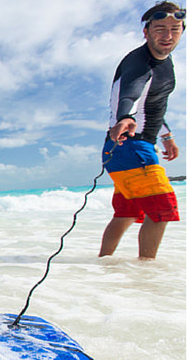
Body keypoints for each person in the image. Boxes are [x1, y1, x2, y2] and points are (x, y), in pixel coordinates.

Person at [99, 2, 184, 260]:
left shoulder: (166, 64)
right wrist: (125, 117)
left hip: (127, 147)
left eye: (174, 29)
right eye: (160, 29)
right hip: (130, 145)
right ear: (146, 32)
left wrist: (166, 135)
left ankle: (102, 265)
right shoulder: (138, 62)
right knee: (162, 211)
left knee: (125, 213)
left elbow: (154, 104)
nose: (167, 36)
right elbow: (131, 92)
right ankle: (146, 275)